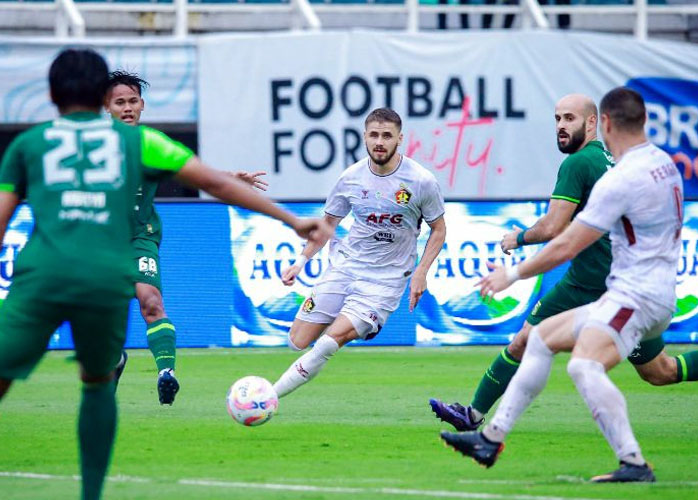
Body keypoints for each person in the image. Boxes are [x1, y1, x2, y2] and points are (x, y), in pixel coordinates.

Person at [0, 48, 330, 500]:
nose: (129, 107)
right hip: (103, 276)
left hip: (43, 276)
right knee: (97, 386)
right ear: (101, 99)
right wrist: (292, 220)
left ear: (52, 94)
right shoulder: (139, 144)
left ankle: (160, 369)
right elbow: (211, 182)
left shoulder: (26, 146)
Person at [430, 93, 698, 433]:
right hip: (625, 285)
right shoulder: (614, 162)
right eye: (557, 119)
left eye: (569, 118)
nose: (561, 126)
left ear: (594, 122)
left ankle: (479, 419)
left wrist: (518, 239)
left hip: (590, 285)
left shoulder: (577, 164)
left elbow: (554, 227)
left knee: (533, 344)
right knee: (660, 371)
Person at [104, 70, 268, 405]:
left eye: (133, 101)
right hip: (101, 243)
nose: (127, 108)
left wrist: (230, 178)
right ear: (106, 106)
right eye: (119, 102)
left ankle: (167, 372)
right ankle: (114, 360)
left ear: (142, 105)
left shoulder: (151, 144)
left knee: (150, 301)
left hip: (140, 237)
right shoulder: (94, 146)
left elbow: (190, 170)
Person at [272, 108, 447, 400]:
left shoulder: (421, 181)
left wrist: (421, 272)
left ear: (399, 139)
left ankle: (269, 396)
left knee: (328, 343)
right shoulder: (350, 178)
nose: (380, 142)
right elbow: (328, 224)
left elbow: (438, 230)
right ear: (365, 137)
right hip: (347, 267)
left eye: (387, 136)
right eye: (374, 135)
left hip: (386, 280)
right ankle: (357, 319)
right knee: (297, 341)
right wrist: (301, 261)